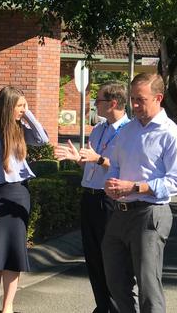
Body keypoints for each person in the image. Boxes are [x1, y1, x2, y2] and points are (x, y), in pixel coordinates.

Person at [102, 73, 177, 313]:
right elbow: (116, 164)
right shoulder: (128, 130)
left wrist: (136, 187)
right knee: (115, 282)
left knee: (148, 287)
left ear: (158, 98)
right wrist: (113, 184)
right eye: (133, 99)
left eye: (141, 99)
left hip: (150, 214)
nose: (135, 105)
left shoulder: (171, 134)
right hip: (120, 214)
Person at [0, 86, 49, 313]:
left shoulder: (20, 127)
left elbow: (42, 139)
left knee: (14, 251)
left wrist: (28, 114)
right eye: (19, 106)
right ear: (6, 106)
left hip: (17, 195)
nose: (23, 111)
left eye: (25, 106)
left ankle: (8, 306)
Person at [54, 81, 129, 313]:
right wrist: (78, 158)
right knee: (93, 257)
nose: (95, 105)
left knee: (112, 258)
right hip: (89, 197)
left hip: (109, 201)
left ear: (113, 103)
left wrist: (97, 159)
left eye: (99, 101)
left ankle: (117, 307)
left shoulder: (129, 132)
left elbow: (124, 168)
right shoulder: (98, 129)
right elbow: (91, 162)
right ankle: (102, 306)